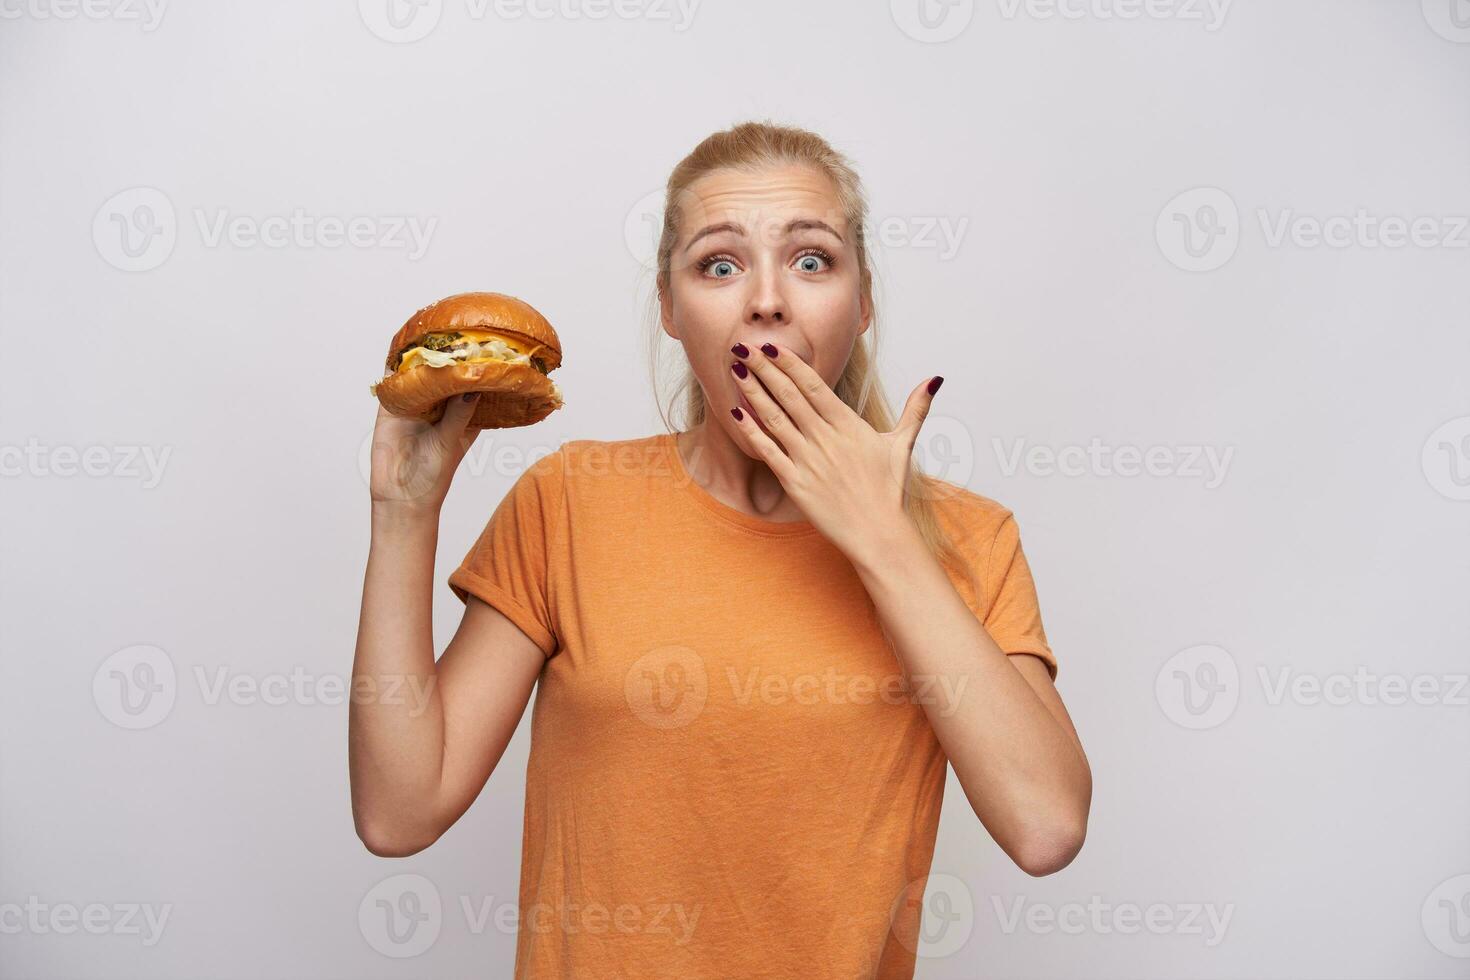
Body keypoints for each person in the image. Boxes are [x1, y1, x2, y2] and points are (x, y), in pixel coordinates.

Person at [349, 119, 1091, 979]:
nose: (767, 300)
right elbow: (400, 813)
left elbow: (1047, 828)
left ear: (864, 300)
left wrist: (885, 542)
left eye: (812, 260)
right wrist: (402, 516)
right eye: (719, 263)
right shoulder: (571, 501)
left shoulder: (969, 539)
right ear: (670, 308)